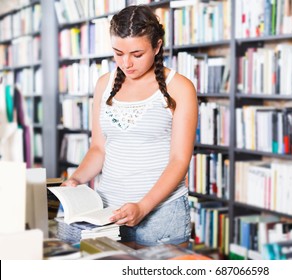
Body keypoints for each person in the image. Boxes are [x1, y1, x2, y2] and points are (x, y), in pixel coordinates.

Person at [61, 5, 198, 248]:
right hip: (107, 214)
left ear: (156, 47)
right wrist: (76, 179)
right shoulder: (104, 84)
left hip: (161, 216)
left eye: (137, 54)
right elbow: (98, 149)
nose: (126, 63)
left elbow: (179, 160)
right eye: (118, 53)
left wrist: (143, 207)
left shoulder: (180, 88)